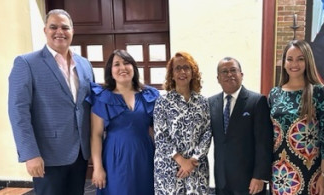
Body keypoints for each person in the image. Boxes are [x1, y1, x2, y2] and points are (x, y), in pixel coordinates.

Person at [8, 9, 94, 195]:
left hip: (80, 153)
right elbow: (18, 112)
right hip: (47, 155)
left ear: (73, 31)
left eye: (65, 27)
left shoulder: (84, 64)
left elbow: (88, 105)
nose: (59, 32)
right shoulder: (26, 63)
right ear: (45, 30)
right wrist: (30, 154)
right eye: (53, 27)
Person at [88, 49, 159, 195]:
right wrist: (98, 167)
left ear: (133, 67)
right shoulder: (103, 97)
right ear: (110, 70)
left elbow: (154, 130)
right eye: (116, 64)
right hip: (115, 157)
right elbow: (96, 135)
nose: (122, 68)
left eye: (126, 63)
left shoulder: (149, 95)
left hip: (145, 155)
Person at [269, 40, 324, 195]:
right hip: (279, 172)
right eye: (289, 59)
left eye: (300, 59)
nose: (294, 64)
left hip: (309, 172)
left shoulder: (319, 92)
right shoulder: (275, 94)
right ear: (284, 63)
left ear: (308, 61)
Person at [209, 57, 273, 195]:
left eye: (233, 70)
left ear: (241, 75)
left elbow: (264, 142)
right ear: (218, 78)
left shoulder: (257, 101)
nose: (229, 74)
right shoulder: (211, 103)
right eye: (224, 72)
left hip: (250, 182)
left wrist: (259, 176)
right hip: (222, 181)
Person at [153, 51, 212, 194]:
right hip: (169, 167)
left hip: (196, 166)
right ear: (172, 74)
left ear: (193, 72)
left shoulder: (202, 102)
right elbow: (160, 136)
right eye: (177, 68)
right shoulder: (163, 102)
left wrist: (193, 160)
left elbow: (207, 132)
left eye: (187, 67)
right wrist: (181, 161)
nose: (182, 72)